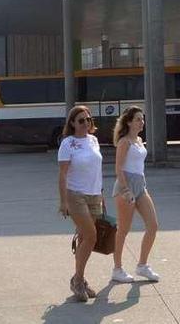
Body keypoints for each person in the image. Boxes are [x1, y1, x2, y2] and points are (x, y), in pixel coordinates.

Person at [110, 106, 160, 283]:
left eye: (142, 119)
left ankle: (142, 265)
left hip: (140, 185)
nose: (142, 122)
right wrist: (126, 190)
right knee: (123, 230)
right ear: (129, 122)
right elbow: (119, 168)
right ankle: (117, 269)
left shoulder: (139, 140)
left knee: (153, 225)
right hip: (125, 187)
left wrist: (140, 186)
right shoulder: (124, 142)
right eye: (138, 119)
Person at [57, 105, 102, 302]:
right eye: (81, 120)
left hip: (94, 195)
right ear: (73, 124)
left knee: (85, 239)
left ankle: (79, 280)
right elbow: (63, 174)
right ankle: (78, 280)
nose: (86, 123)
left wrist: (101, 194)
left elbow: (96, 170)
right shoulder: (68, 143)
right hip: (76, 196)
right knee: (91, 236)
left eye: (88, 119)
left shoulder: (94, 140)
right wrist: (63, 201)